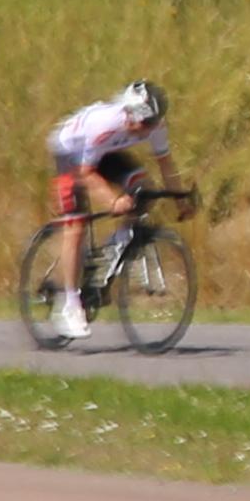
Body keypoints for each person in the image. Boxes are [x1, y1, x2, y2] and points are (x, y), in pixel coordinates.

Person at [40, 80, 173, 347]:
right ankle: (69, 305)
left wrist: (180, 200)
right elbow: (86, 173)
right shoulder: (105, 125)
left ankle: (117, 246)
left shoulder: (154, 125)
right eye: (143, 123)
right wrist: (113, 201)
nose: (147, 130)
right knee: (76, 225)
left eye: (152, 124)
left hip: (103, 153)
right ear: (129, 114)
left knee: (144, 191)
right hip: (71, 153)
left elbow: (166, 163)